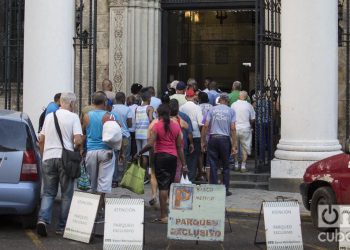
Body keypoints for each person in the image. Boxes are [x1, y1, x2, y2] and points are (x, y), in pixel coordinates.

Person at [37, 92, 83, 237]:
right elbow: (78, 141)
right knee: (66, 194)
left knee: (49, 192)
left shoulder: (49, 116)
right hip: (65, 159)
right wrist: (80, 140)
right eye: (74, 103)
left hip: (48, 157)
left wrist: (44, 155)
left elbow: (41, 138)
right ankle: (62, 227)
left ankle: (43, 219)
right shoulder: (74, 117)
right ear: (70, 103)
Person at [135, 104, 187, 223]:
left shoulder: (157, 126)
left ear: (158, 114)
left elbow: (150, 144)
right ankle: (174, 213)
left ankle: (163, 215)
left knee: (163, 186)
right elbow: (179, 147)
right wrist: (184, 164)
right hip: (173, 157)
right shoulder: (176, 126)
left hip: (160, 157)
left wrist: (139, 153)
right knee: (170, 184)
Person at [82, 91, 119, 216]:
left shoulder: (87, 116)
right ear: (105, 102)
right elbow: (117, 135)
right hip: (106, 151)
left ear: (93, 102)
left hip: (91, 151)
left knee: (93, 183)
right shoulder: (109, 116)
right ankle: (100, 206)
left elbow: (84, 133)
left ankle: (96, 208)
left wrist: (82, 149)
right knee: (103, 182)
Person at [201, 93, 237, 197]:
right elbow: (233, 128)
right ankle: (225, 189)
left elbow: (206, 125)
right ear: (228, 101)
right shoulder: (231, 111)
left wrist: (203, 141)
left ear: (219, 100)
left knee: (213, 164)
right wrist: (234, 145)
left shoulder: (212, 110)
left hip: (213, 138)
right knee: (225, 165)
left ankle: (214, 188)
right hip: (225, 139)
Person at [179, 87, 203, 182]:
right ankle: (191, 180)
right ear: (194, 96)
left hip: (184, 136)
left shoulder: (181, 107)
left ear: (186, 97)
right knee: (193, 160)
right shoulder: (197, 107)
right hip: (195, 135)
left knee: (183, 158)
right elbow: (201, 123)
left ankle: (183, 179)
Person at [111, 92, 132, 187]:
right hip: (125, 135)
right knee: (126, 157)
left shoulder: (112, 108)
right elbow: (130, 124)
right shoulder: (127, 109)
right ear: (124, 99)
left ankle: (114, 180)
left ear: (116, 99)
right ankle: (125, 180)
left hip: (115, 135)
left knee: (114, 157)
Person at [169, 99, 193, 183]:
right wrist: (191, 143)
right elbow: (189, 130)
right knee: (178, 168)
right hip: (179, 148)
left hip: (168, 148)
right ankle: (175, 186)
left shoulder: (163, 120)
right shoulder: (180, 120)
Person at [231, 91, 255, 172]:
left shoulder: (233, 104)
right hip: (245, 128)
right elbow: (253, 118)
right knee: (245, 148)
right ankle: (243, 166)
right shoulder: (249, 105)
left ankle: (236, 164)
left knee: (235, 146)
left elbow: (231, 117)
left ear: (239, 96)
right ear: (247, 97)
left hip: (235, 128)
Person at [135, 89, 154, 173]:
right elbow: (150, 120)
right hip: (146, 134)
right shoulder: (149, 108)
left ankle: (139, 174)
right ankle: (144, 176)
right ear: (149, 98)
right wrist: (155, 120)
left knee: (139, 154)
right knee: (145, 155)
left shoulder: (137, 108)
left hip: (138, 133)